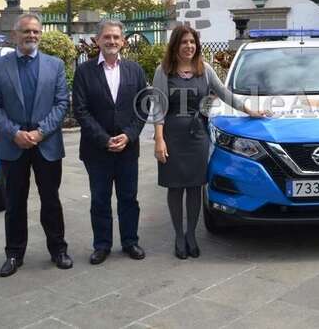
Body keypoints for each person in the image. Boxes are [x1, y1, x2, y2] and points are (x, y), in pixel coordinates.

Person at [151, 24, 267, 259]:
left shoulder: (204, 69)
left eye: (192, 42)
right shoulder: (163, 71)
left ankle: (191, 235)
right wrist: (159, 140)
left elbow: (224, 94)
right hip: (172, 136)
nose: (189, 46)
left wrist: (249, 110)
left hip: (197, 137)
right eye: (184, 42)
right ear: (175, 45)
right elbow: (158, 108)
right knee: (175, 188)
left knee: (195, 187)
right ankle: (178, 236)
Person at [0, 13, 72, 277]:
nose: (31, 36)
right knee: (14, 202)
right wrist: (15, 133)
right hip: (13, 145)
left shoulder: (54, 65)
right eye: (26, 32)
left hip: (46, 145)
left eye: (36, 31)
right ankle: (13, 254)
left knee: (51, 200)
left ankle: (58, 249)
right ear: (15, 35)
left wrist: (40, 132)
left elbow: (61, 103)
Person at [72, 20, 148, 265]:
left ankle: (130, 241)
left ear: (123, 41)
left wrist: (129, 135)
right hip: (97, 151)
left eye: (116, 37)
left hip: (128, 148)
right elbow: (81, 111)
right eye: (107, 37)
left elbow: (142, 108)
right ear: (98, 41)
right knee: (100, 199)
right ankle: (102, 244)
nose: (112, 41)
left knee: (129, 198)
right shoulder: (84, 72)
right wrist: (105, 140)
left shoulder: (135, 70)